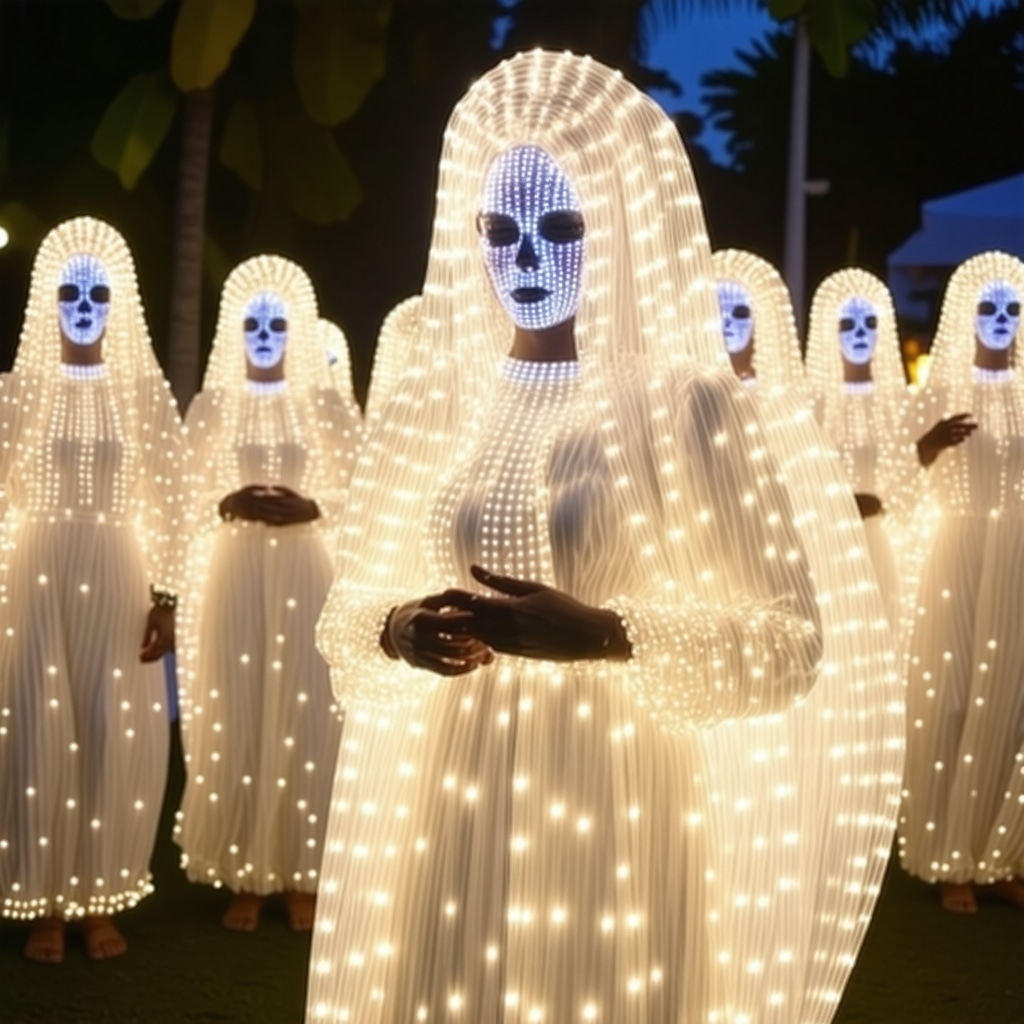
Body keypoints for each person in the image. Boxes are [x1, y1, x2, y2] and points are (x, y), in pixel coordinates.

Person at [307, 50, 899, 1023]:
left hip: (618, 784)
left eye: (561, 228)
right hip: (460, 776)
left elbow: (792, 643)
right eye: (501, 231)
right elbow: (347, 605)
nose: (525, 259)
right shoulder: (443, 398)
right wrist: (399, 625)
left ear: (617, 229)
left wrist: (613, 634)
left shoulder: (688, 404)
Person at [0, 216, 184, 962]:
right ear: (46, 299)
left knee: (113, 730)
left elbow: (171, 499)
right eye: (70, 293)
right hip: (34, 574)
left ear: (120, 301)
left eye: (98, 293)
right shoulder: (15, 395)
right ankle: (44, 900)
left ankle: (98, 894)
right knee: (37, 731)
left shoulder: (141, 396)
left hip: (116, 570)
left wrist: (168, 597)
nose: (83, 306)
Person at [174, 255, 362, 932]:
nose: (263, 335)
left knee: (305, 714)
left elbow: (363, 492)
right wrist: (226, 501)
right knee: (240, 709)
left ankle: (302, 872)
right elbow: (181, 494)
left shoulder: (326, 407)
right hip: (235, 573)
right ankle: (245, 871)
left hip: (306, 573)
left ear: (298, 330)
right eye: (252, 323)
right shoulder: (213, 406)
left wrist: (315, 506)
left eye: (277, 324)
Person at [899, 250, 1024, 914]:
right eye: (988, 308)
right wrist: (927, 447)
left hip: (1017, 554)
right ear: (964, 316)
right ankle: (949, 857)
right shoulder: (937, 390)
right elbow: (899, 482)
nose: (1000, 320)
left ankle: (999, 853)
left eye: (1012, 309)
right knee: (951, 700)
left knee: (1009, 705)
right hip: (957, 551)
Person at [806, 268, 930, 638]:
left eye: (869, 323)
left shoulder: (900, 406)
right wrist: (839, 505)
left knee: (882, 630)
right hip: (829, 545)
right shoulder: (812, 407)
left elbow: (911, 484)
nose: (860, 333)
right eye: (848, 324)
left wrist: (888, 498)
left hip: (883, 543)